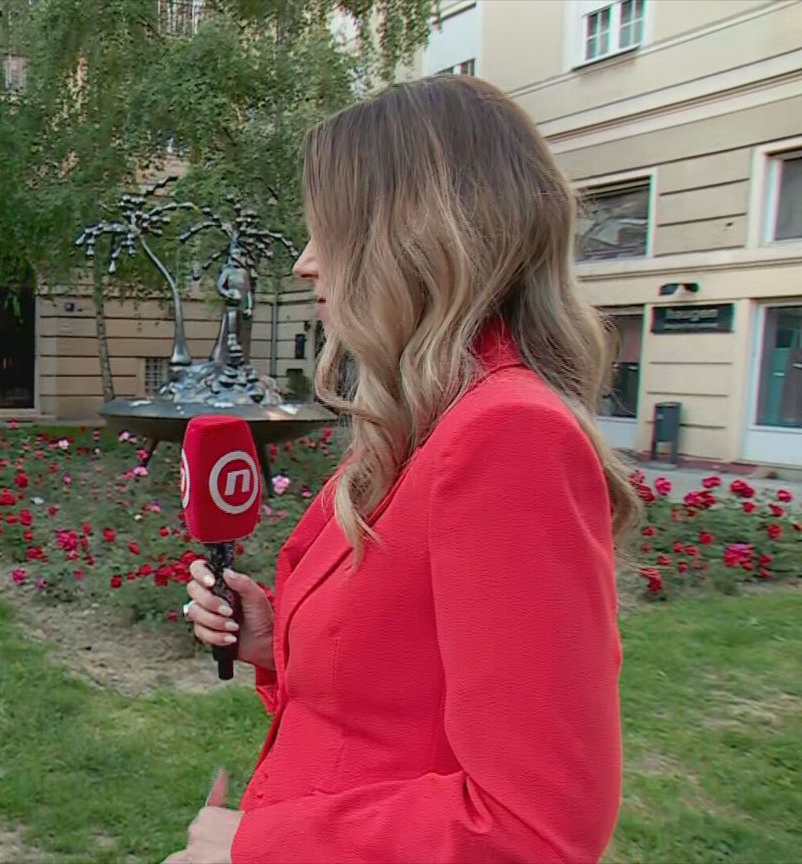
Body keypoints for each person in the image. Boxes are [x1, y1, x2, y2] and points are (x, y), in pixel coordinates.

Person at [171, 75, 640, 864]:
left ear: (416, 237)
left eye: (329, 231)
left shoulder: (507, 434)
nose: (305, 263)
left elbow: (536, 828)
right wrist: (276, 641)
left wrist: (257, 847)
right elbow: (400, 693)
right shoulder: (422, 426)